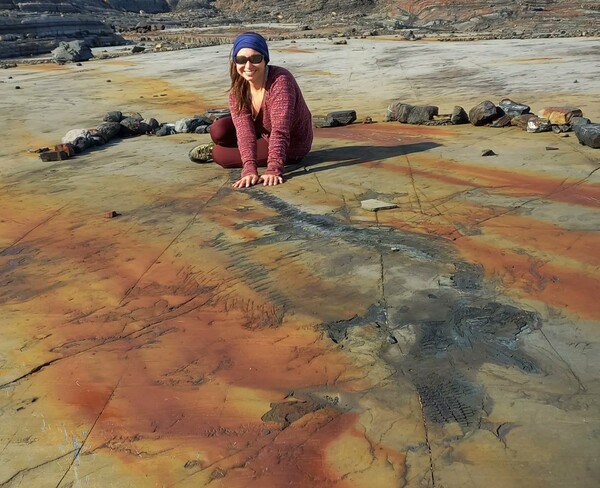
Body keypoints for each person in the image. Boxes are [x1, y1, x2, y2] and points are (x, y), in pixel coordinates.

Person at [189, 32, 313, 188]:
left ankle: (213, 151)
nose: (248, 66)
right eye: (241, 60)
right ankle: (240, 148)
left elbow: (280, 131)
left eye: (255, 59)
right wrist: (249, 168)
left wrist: (273, 168)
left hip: (291, 143)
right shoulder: (239, 87)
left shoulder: (280, 81)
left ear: (265, 59)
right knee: (218, 130)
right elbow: (244, 130)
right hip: (262, 130)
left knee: (220, 155)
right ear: (235, 62)